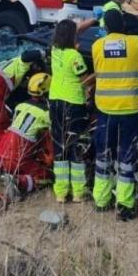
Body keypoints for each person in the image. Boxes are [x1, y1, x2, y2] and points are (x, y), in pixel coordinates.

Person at [91, 9, 138, 220]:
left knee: (103, 156)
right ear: (123, 25)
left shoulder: (97, 46)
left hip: (105, 109)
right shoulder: (137, 42)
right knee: (126, 157)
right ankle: (124, 206)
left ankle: (101, 200)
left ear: (105, 27)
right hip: (132, 109)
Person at [49, 20, 93, 203]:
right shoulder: (75, 57)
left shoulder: (54, 50)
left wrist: (93, 20)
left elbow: (73, 30)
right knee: (76, 146)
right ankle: (78, 193)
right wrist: (102, 71)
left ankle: (60, 192)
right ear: (71, 37)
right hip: (74, 104)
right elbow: (85, 81)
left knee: (60, 146)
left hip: (55, 102)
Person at [0, 73, 54, 196]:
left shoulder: (20, 106)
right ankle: (19, 182)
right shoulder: (45, 114)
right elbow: (52, 135)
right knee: (46, 176)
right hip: (17, 156)